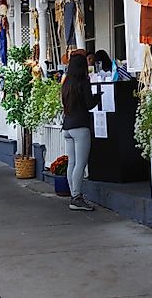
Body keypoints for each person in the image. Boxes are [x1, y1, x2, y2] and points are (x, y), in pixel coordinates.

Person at [61, 52, 97, 211]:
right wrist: (98, 97)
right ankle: (76, 197)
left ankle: (73, 195)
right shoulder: (84, 82)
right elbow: (90, 104)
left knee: (72, 163)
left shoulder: (66, 83)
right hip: (81, 127)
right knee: (80, 164)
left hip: (67, 126)